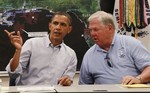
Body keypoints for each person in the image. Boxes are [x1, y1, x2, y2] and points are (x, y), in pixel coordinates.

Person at [4, 12, 77, 86]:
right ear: (50, 26)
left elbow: (68, 79)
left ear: (69, 29)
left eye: (63, 24)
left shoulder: (71, 54)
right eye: (55, 23)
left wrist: (67, 81)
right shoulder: (32, 44)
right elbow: (13, 72)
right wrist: (18, 50)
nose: (58, 27)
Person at [79, 11, 150, 85]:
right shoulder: (89, 55)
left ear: (110, 28)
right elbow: (83, 85)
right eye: (90, 30)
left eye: (96, 29)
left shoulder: (131, 44)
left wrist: (138, 79)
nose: (92, 34)